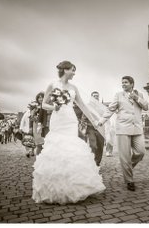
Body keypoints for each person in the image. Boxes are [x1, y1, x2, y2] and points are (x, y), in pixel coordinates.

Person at [32, 61, 105, 204]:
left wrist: (95, 121)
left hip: (71, 120)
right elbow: (44, 104)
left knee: (71, 148)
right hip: (57, 119)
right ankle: (56, 186)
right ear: (65, 70)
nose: (74, 73)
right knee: (57, 147)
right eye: (72, 70)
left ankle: (75, 185)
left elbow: (83, 105)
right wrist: (55, 107)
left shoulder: (74, 88)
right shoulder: (52, 85)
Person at [98, 76, 148, 191]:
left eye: (125, 82)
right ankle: (129, 180)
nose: (123, 84)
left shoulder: (139, 94)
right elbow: (110, 109)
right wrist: (102, 121)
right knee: (124, 157)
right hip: (123, 128)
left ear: (132, 84)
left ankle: (127, 168)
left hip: (137, 128)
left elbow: (145, 107)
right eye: (122, 83)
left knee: (140, 152)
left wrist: (136, 98)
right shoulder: (118, 95)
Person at [78, 91, 105, 166]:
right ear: (91, 97)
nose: (96, 97)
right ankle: (93, 163)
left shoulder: (102, 107)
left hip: (101, 129)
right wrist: (83, 126)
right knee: (93, 145)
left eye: (97, 96)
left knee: (100, 146)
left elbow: (106, 117)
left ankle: (97, 162)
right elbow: (83, 117)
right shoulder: (87, 106)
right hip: (91, 129)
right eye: (94, 96)